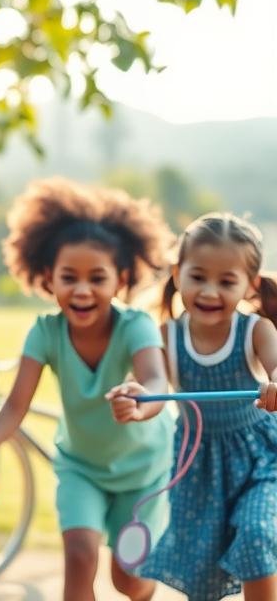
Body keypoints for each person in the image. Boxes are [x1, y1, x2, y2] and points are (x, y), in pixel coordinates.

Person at [0, 178, 175, 601]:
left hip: (144, 470)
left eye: (97, 277)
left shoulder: (135, 326)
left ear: (121, 279)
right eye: (69, 277)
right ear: (48, 278)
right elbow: (16, 405)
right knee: (79, 555)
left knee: (128, 580)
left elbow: (156, 381)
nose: (82, 289)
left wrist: (140, 400)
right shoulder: (45, 332)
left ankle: (146, 586)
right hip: (81, 467)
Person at [111, 213, 277, 600]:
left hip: (258, 460)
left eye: (226, 281)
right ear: (177, 272)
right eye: (198, 276)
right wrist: (139, 401)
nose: (209, 292)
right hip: (198, 465)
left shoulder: (256, 331)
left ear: (249, 286)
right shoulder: (168, 335)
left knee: (257, 536)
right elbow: (155, 386)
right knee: (201, 571)